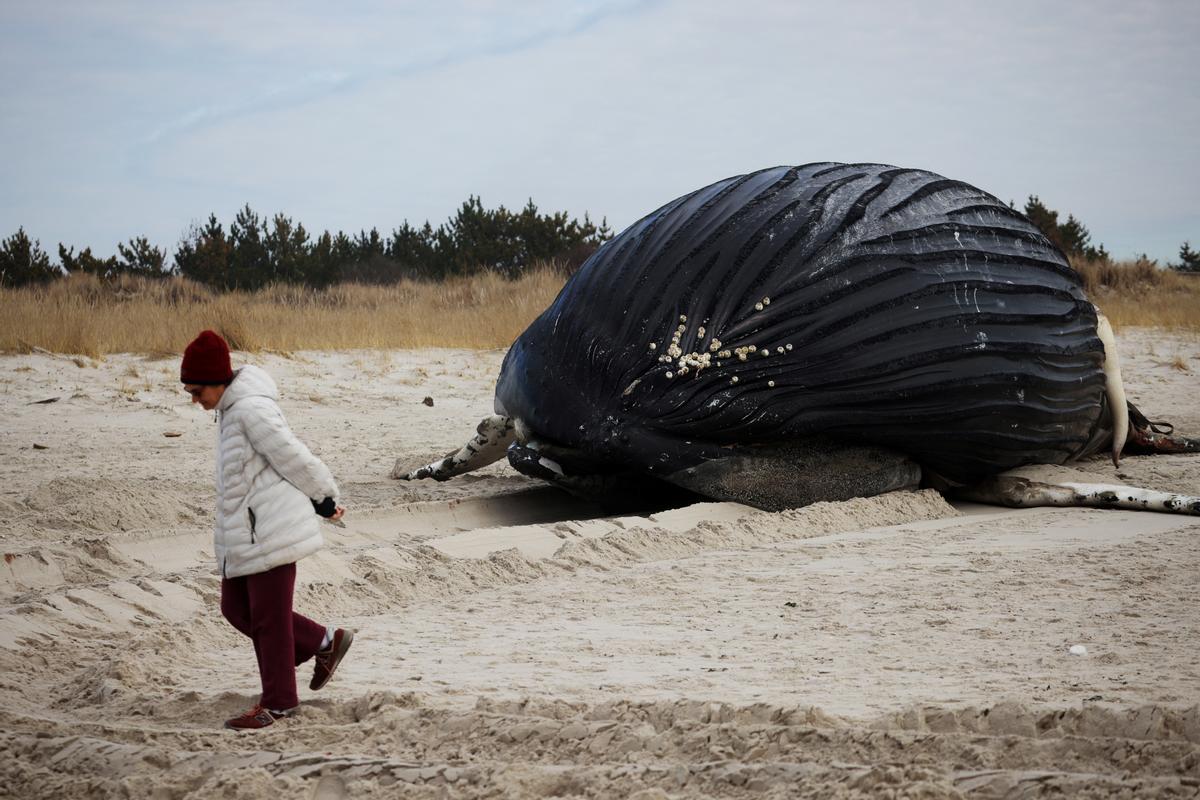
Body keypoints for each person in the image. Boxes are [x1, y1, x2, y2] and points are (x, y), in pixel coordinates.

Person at [181, 329, 355, 729]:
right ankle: (324, 642)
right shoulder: (228, 409)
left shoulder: (250, 410)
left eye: (196, 391)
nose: (194, 400)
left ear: (218, 381)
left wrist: (324, 498)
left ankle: (279, 703)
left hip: (270, 530)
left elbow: (293, 456)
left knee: (268, 621)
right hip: (247, 532)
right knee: (236, 608)